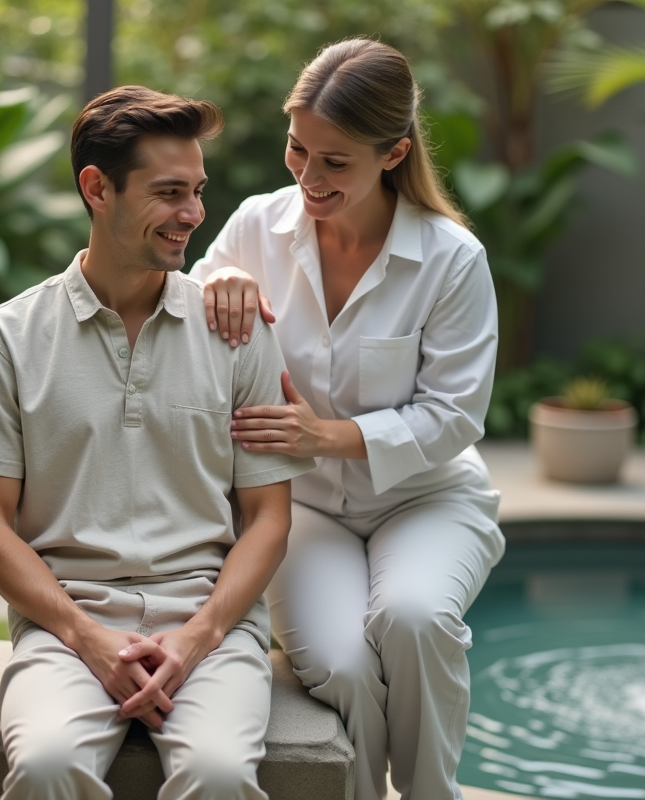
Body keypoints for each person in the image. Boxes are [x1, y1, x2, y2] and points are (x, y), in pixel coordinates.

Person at [0, 85, 315, 800]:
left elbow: (268, 518)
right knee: (46, 765)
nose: (193, 214)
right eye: (170, 192)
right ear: (96, 188)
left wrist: (199, 636)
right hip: (64, 622)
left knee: (221, 775)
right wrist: (84, 635)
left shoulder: (238, 331)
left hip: (212, 623)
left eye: (198, 191)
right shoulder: (6, 340)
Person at [187, 39, 506, 800]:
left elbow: (455, 413)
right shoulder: (257, 227)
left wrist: (323, 435)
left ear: (393, 154)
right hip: (303, 510)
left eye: (336, 162)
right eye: (298, 150)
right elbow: (188, 327)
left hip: (426, 495)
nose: (308, 177)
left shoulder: (451, 259)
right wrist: (216, 283)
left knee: (415, 619)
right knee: (347, 668)